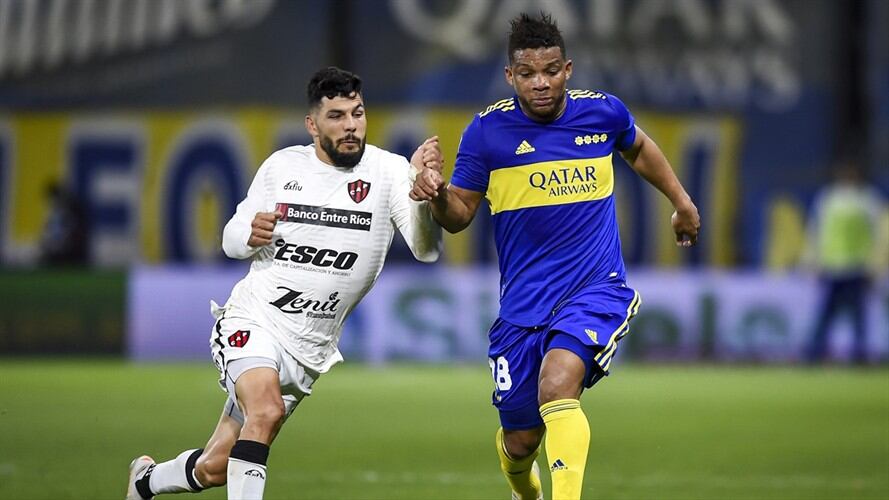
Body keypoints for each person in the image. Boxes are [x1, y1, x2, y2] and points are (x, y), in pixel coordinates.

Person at [411, 13, 700, 500]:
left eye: (550, 71)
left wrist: (682, 202)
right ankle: (525, 491)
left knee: (558, 384)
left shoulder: (603, 113)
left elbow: (640, 148)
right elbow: (458, 215)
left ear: (568, 68)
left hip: (595, 287)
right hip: (523, 306)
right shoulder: (487, 132)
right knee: (521, 439)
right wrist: (436, 194)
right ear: (510, 76)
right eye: (527, 74)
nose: (540, 83)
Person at [126, 66, 442, 500]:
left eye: (358, 113)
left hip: (308, 350)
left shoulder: (389, 172)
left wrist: (423, 201)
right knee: (266, 409)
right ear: (313, 124)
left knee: (219, 466)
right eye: (336, 116)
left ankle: (145, 482)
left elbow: (426, 250)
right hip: (255, 319)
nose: (351, 126)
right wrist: (247, 234)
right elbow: (232, 237)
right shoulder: (283, 167)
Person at [804, 159, 887, 364]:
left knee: (855, 315)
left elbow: (878, 235)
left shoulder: (868, 200)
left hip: (856, 267)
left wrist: (874, 265)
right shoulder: (829, 199)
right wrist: (812, 260)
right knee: (827, 314)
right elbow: (817, 231)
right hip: (833, 266)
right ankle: (814, 355)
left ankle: (857, 355)